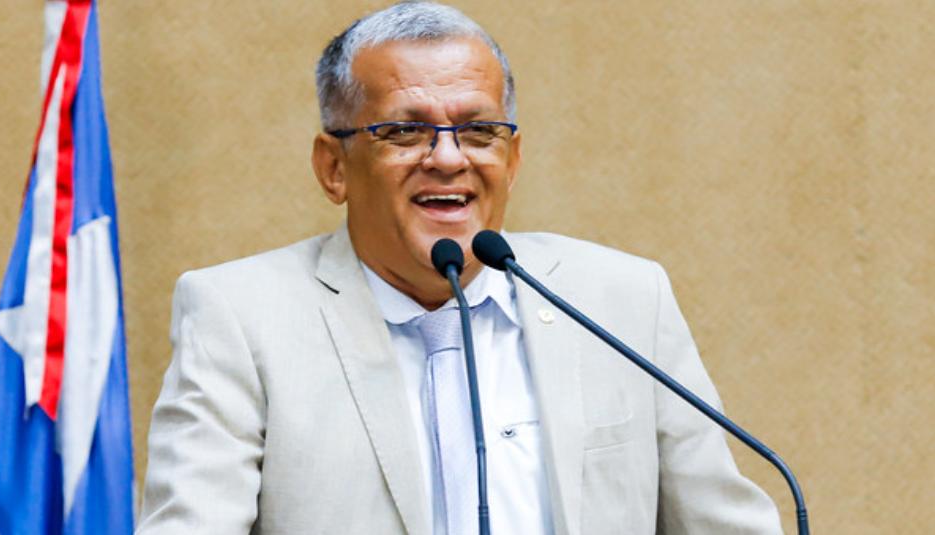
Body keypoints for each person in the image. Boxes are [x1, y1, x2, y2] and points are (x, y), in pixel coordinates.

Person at [136, 2, 784, 534]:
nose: (448, 159)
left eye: (478, 131)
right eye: (404, 131)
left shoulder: (621, 300)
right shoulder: (240, 317)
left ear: (512, 159)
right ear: (333, 168)